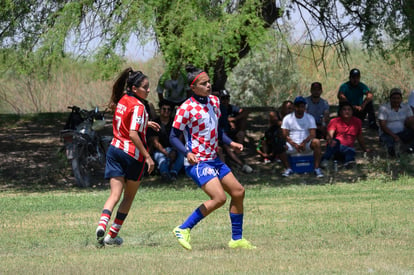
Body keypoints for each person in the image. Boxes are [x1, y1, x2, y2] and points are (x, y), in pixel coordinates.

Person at [169, 64, 256, 250]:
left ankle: (237, 239)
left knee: (238, 192)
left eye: (209, 82)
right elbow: (173, 136)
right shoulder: (186, 108)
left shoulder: (214, 102)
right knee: (219, 198)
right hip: (198, 162)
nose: (208, 85)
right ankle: (183, 229)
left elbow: (217, 131)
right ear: (193, 87)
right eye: (204, 83)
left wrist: (230, 143)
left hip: (214, 159)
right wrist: (187, 153)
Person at [95, 68, 160, 246]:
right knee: (128, 197)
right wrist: (147, 156)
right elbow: (132, 133)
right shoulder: (140, 106)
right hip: (132, 155)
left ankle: (101, 224)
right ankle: (112, 236)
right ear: (134, 88)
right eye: (145, 87)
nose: (148, 90)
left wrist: (146, 123)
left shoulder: (123, 100)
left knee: (114, 194)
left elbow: (126, 120)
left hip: (115, 150)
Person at [280, 96, 324, 178]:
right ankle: (288, 168)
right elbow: (285, 135)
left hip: (306, 144)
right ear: (294, 107)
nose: (300, 109)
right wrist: (294, 144)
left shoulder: (310, 118)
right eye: (298, 106)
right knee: (280, 145)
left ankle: (316, 168)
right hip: (292, 144)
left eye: (302, 106)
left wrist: (304, 143)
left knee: (317, 142)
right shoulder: (287, 118)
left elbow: (312, 134)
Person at [320, 102, 369, 169]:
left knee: (350, 150)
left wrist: (365, 149)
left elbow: (360, 136)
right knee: (336, 142)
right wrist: (330, 140)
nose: (347, 111)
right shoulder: (334, 121)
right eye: (344, 109)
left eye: (349, 109)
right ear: (340, 111)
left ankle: (348, 163)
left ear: (352, 111)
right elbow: (330, 134)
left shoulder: (357, 121)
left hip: (348, 148)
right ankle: (325, 160)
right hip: (336, 147)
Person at [218, 89, 253, 173]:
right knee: (225, 147)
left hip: (229, 133)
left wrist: (234, 119)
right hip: (221, 135)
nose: (225, 101)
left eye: (227, 98)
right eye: (223, 99)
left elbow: (245, 112)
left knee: (240, 134)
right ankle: (240, 164)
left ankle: (237, 158)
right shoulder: (217, 110)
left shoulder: (231, 108)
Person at [148, 100, 184, 181]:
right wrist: (166, 153)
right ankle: (165, 174)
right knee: (161, 158)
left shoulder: (174, 123)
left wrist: (174, 151)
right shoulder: (155, 123)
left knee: (182, 155)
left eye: (168, 110)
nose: (166, 111)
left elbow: (180, 137)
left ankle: (174, 173)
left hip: (173, 148)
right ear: (160, 110)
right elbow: (155, 142)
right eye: (164, 109)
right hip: (160, 149)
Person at [378, 88, 414, 156]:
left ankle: (408, 148)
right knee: (391, 150)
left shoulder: (406, 107)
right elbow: (383, 126)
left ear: (401, 99)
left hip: (403, 133)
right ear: (390, 98)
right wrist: (394, 136)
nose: (396, 100)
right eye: (394, 98)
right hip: (388, 134)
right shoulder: (383, 108)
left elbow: (411, 121)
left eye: (398, 98)